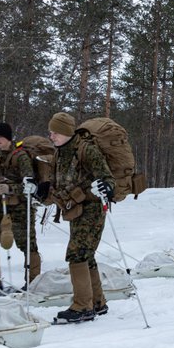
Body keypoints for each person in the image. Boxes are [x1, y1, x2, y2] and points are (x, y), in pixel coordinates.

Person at [46, 112, 114, 323]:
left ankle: (82, 306)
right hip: (75, 210)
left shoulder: (87, 149)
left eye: (55, 132)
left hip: (93, 209)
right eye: (50, 132)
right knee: (86, 254)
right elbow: (59, 181)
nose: (51, 136)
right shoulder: (59, 152)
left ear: (67, 132)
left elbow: (107, 177)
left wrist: (107, 186)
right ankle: (97, 302)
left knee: (76, 253)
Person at [0, 122, 46, 294]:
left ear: (8, 138)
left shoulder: (21, 157)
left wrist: (12, 189)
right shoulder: (1, 158)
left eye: (1, 137)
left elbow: (31, 185)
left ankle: (33, 285)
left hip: (21, 209)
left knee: (27, 244)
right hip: (3, 207)